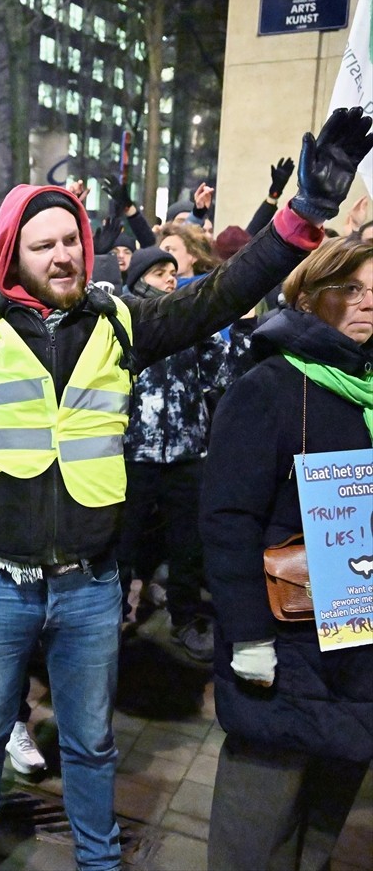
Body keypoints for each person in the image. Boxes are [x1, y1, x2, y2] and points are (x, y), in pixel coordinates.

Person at [0, 108, 372, 871]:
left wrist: (305, 214)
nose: (62, 254)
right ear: (11, 255)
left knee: (91, 742)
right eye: (42, 243)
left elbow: (223, 293)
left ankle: (98, 859)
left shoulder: (121, 322)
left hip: (87, 589)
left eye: (72, 241)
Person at [201, 236, 373, 870]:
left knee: (321, 833)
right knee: (256, 832)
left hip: (358, 642)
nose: (368, 304)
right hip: (285, 642)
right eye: (351, 290)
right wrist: (248, 637)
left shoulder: (371, 389)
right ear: (307, 297)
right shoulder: (269, 388)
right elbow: (226, 522)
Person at [116, 247, 233, 660]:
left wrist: (236, 329)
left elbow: (222, 372)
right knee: (121, 545)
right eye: (159, 272)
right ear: (138, 280)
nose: (170, 278)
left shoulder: (189, 321)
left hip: (186, 452)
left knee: (187, 543)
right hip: (133, 452)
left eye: (172, 270)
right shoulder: (122, 320)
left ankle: (185, 617)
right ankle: (111, 620)